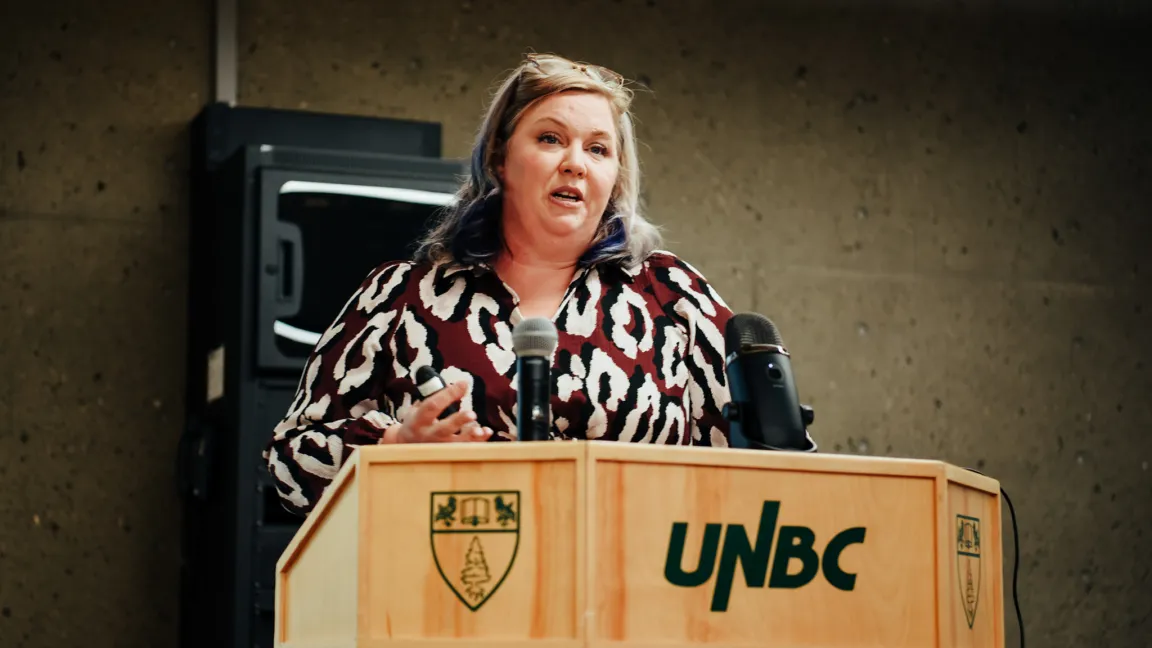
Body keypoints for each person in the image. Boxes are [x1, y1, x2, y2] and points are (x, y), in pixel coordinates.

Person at [264, 53, 735, 517]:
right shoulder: (401, 296)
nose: (576, 163)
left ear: (615, 177)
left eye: (598, 149)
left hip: (633, 582)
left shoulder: (670, 294)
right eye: (551, 138)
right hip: (453, 580)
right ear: (499, 159)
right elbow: (290, 462)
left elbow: (764, 458)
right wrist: (396, 446)